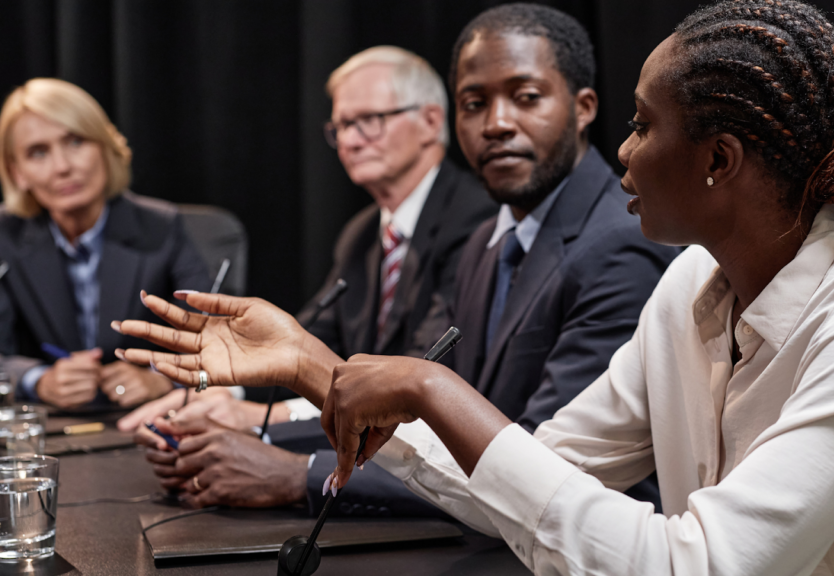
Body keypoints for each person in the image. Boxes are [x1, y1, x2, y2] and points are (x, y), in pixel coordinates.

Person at [116, 0, 834, 574]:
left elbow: (697, 566)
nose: (621, 152)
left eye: (639, 124)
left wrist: (432, 386)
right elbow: (523, 478)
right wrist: (320, 369)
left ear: (719, 160)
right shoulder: (692, 290)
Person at [129, 5, 676, 516]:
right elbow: (432, 426)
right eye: (475, 104)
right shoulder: (492, 238)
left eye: (526, 97)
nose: (496, 124)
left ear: (584, 108)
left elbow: (539, 466)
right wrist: (255, 435)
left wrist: (298, 472)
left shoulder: (618, 244)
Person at [124, 46, 497, 506]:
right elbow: (304, 342)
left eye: (369, 120)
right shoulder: (362, 233)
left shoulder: (477, 222)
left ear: (430, 121)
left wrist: (262, 416)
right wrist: (220, 390)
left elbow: (421, 378)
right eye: (340, 126)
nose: (350, 140)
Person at [0, 78, 210, 409]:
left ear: (104, 146)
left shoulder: (162, 226)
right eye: (38, 152)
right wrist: (37, 379)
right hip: (49, 429)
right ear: (18, 173)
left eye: (75, 142)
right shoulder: (4, 236)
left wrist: (160, 376)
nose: (62, 167)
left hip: (141, 422)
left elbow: (214, 340)